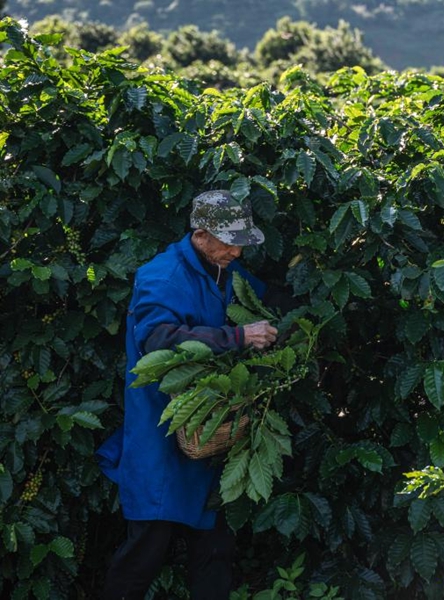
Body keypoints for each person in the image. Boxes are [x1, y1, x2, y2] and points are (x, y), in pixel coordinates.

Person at [96, 190, 279, 599]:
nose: (236, 251)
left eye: (240, 242)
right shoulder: (162, 276)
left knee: (215, 550)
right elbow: (157, 339)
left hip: (212, 430)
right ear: (200, 235)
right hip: (162, 433)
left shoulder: (225, 270)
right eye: (229, 242)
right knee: (146, 548)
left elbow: (262, 300)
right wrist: (236, 336)